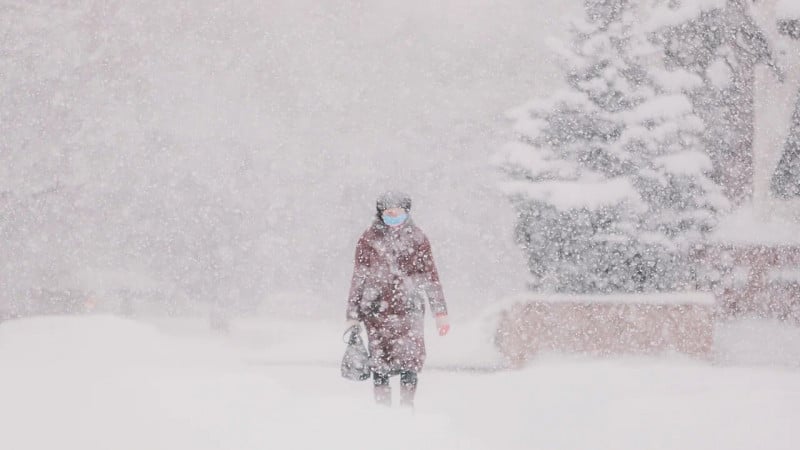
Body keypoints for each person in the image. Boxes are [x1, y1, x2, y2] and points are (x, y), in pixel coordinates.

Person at [345, 191, 450, 407]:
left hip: (409, 309)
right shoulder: (368, 239)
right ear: (381, 214)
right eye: (389, 213)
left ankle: (406, 408)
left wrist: (440, 312)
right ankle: (383, 410)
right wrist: (353, 315)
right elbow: (359, 277)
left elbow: (431, 276)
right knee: (380, 364)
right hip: (376, 311)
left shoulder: (418, 238)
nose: (394, 218)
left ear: (407, 213)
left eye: (398, 213)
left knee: (410, 363)